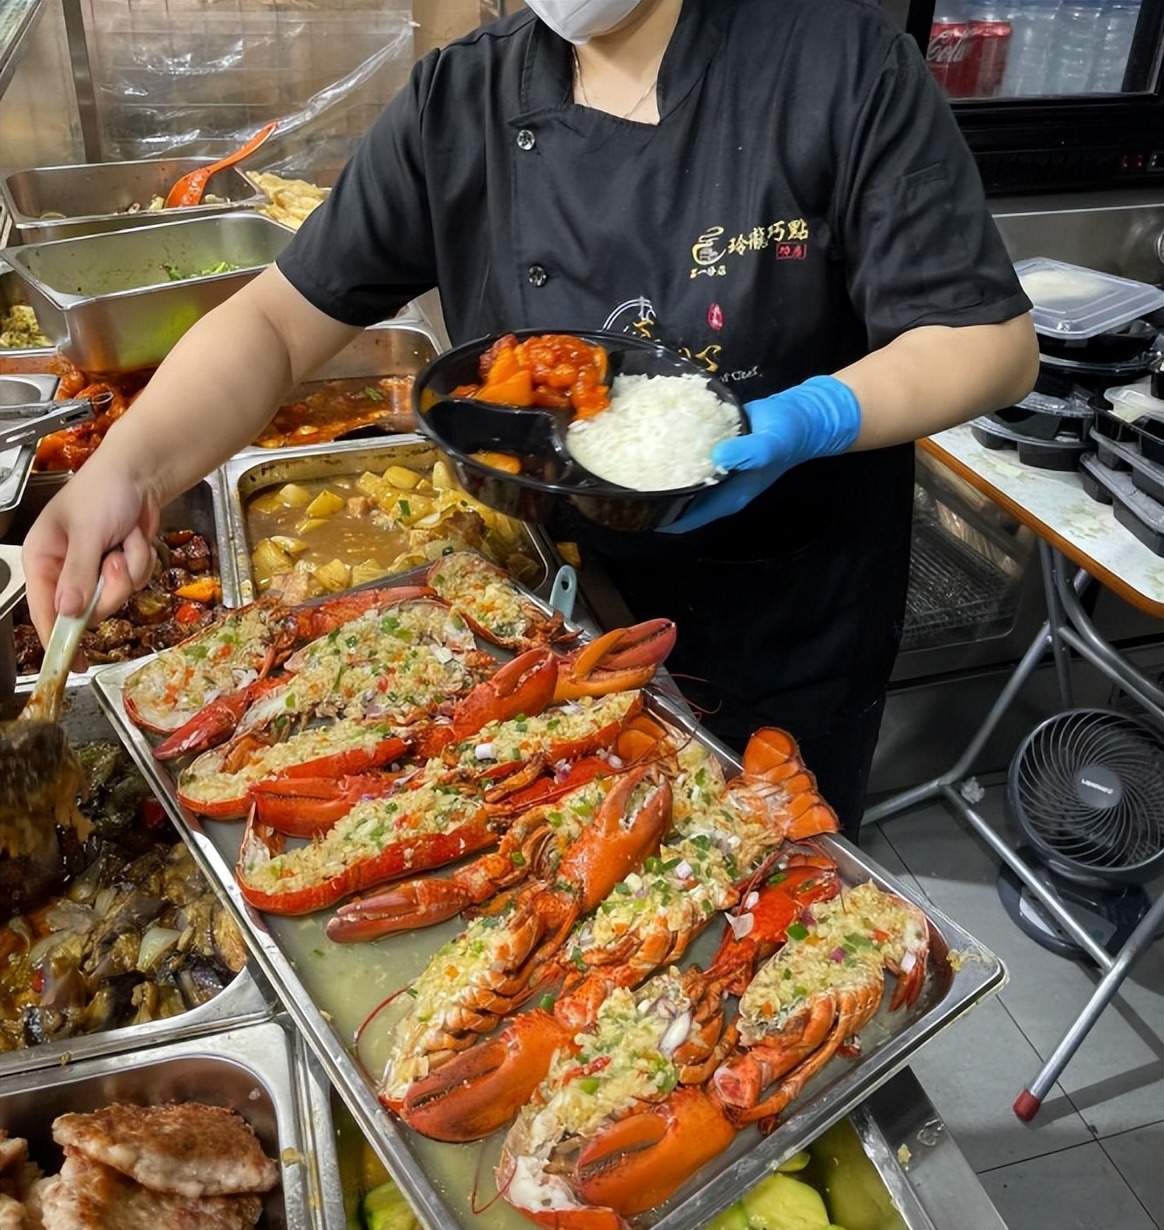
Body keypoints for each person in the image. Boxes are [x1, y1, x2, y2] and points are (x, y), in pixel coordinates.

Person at [21, 0, 1039, 842]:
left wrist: (812, 416)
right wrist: (131, 466)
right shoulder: (461, 99)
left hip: (777, 617)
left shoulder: (841, 67)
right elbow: (280, 324)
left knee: (753, 894)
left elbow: (988, 344)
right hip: (529, 627)